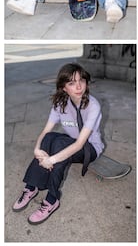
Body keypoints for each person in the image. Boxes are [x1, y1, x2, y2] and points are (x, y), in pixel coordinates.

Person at [12, 63, 104, 225]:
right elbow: (46, 131)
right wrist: (37, 149)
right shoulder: (60, 104)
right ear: (63, 88)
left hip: (90, 148)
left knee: (59, 144)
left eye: (81, 80)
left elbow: (79, 144)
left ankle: (52, 199)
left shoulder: (93, 106)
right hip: (71, 142)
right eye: (71, 83)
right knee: (49, 139)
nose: (78, 86)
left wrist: (51, 160)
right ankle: (32, 187)